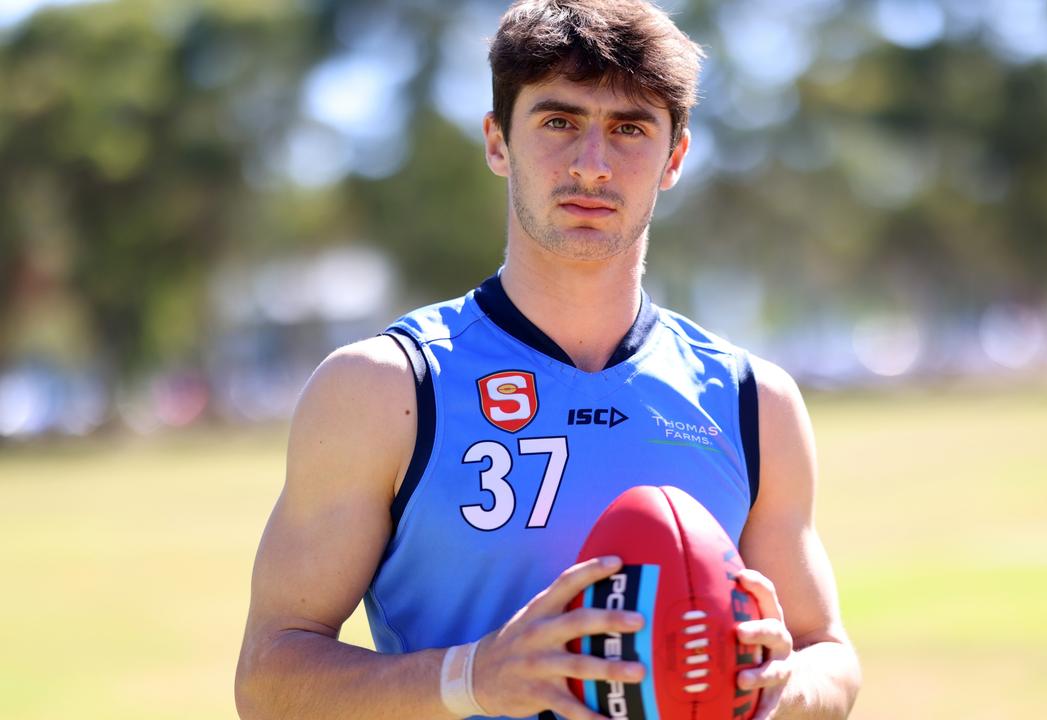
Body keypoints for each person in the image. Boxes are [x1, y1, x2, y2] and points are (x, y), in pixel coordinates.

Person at [234, 1, 861, 719]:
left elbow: (830, 653)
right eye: (559, 122)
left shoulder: (753, 400)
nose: (592, 166)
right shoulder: (384, 389)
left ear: (675, 159)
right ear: (498, 143)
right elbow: (267, 679)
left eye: (629, 129)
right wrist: (472, 676)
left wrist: (783, 689)